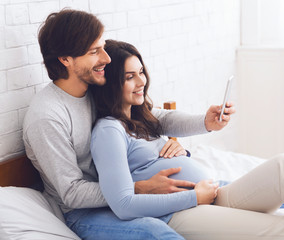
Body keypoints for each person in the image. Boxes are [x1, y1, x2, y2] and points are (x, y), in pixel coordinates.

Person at [90, 39, 284, 240]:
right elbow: (124, 205)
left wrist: (184, 152)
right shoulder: (109, 131)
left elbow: (175, 130)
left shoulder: (144, 117)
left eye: (141, 72)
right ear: (111, 84)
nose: (141, 82)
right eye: (129, 77)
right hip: (179, 213)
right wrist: (194, 197)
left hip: (209, 195)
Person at [23, 9, 230, 240]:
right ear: (65, 59)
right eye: (94, 51)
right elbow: (72, 192)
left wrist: (204, 122)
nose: (106, 59)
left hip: (127, 198)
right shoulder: (48, 117)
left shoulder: (93, 88)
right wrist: (138, 187)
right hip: (86, 213)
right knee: (154, 232)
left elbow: (153, 117)